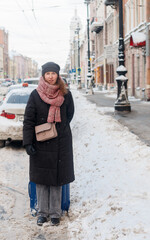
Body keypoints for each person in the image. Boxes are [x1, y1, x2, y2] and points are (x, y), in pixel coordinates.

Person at [23, 62, 75, 226]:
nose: (51, 76)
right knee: (41, 180)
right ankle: (42, 213)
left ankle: (55, 213)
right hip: (41, 143)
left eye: (53, 73)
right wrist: (27, 142)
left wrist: (60, 128)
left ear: (57, 75)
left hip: (60, 142)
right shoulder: (35, 95)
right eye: (48, 74)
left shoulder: (65, 94)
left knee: (57, 180)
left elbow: (69, 114)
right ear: (43, 75)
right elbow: (29, 120)